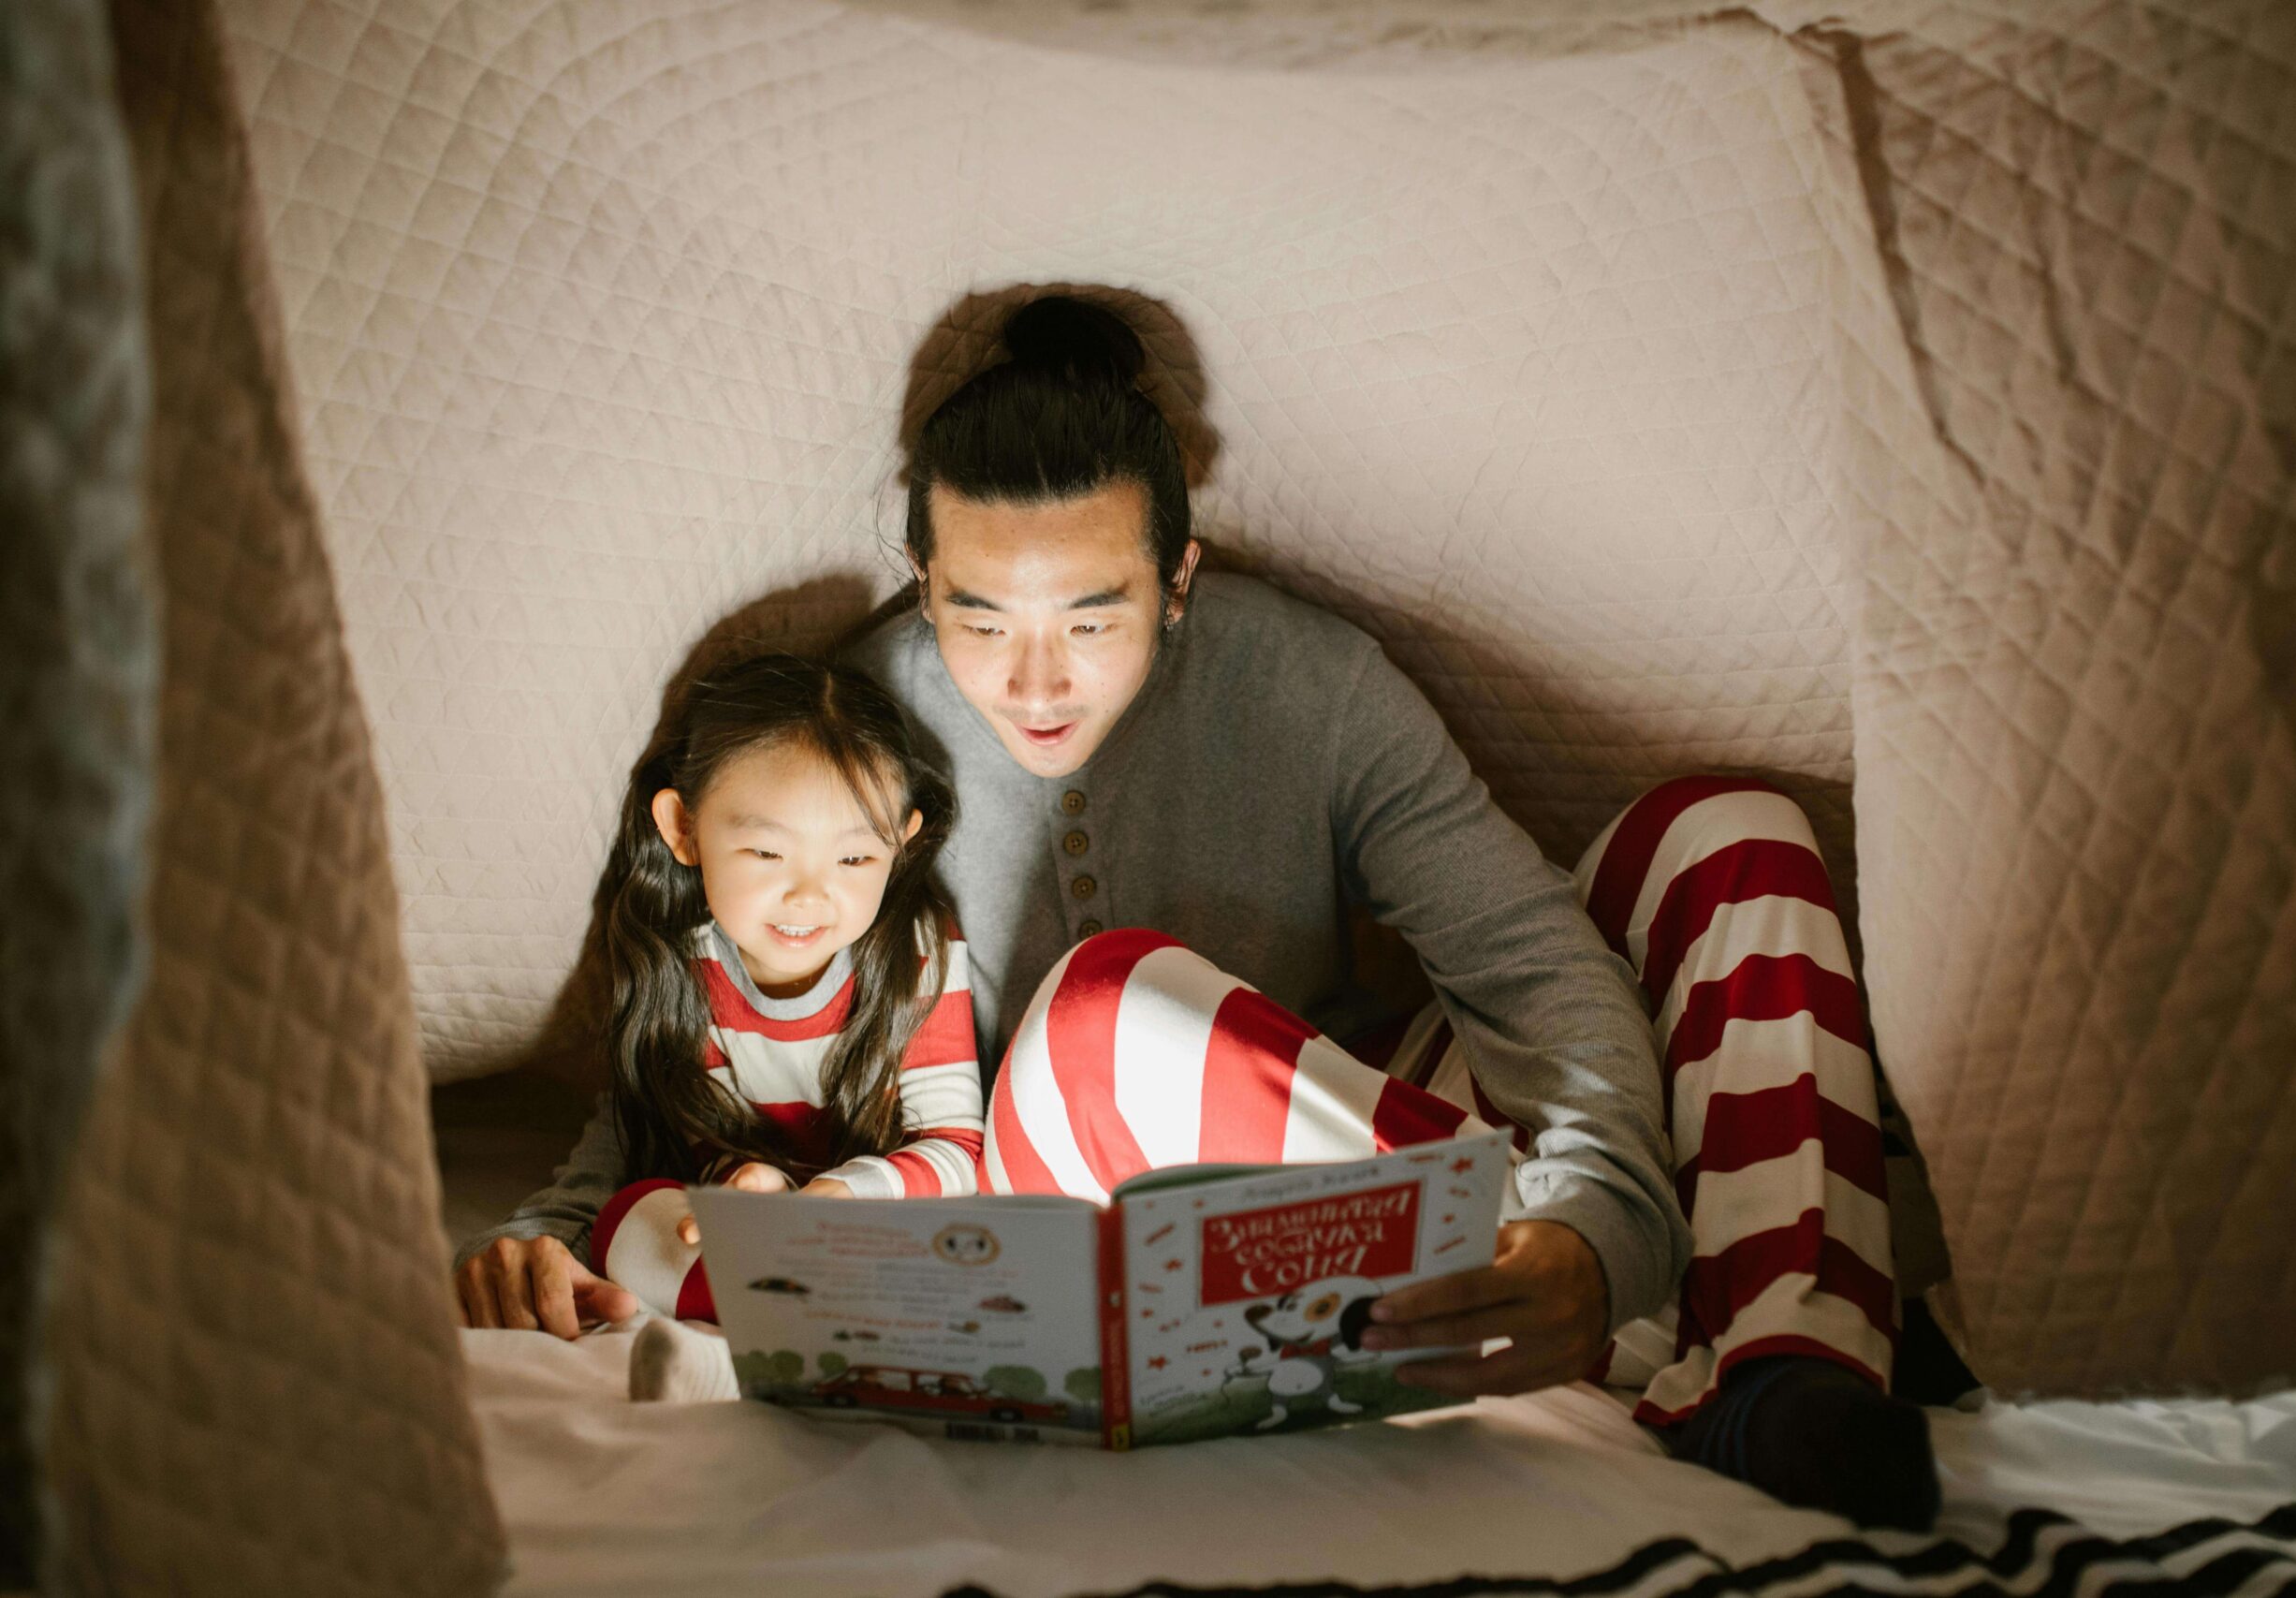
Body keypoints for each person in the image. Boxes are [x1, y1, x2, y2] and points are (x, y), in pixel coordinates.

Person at [458, 297, 1937, 1528]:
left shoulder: (1314, 683)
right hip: (1073, 1202)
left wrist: (1595, 1222)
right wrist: (557, 1223)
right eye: (978, 615)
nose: (1034, 682)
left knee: (1731, 830)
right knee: (1100, 1009)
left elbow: (1526, 963)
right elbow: (716, 1015)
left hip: (1347, 1129)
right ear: (925, 579)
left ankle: (1786, 1369)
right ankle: (1656, 1326)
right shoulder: (861, 727)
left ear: (1177, 580)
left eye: (1091, 615)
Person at [450, 654, 979, 1368]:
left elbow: (956, 1148)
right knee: (633, 1215)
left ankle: (810, 1338)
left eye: (854, 861)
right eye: (766, 851)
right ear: (684, 829)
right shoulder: (681, 969)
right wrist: (748, 1181)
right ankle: (742, 1354)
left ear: (902, 840)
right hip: (753, 1247)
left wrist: (834, 1195)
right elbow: (689, 1142)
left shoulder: (917, 949)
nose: (809, 897)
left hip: (878, 1231)